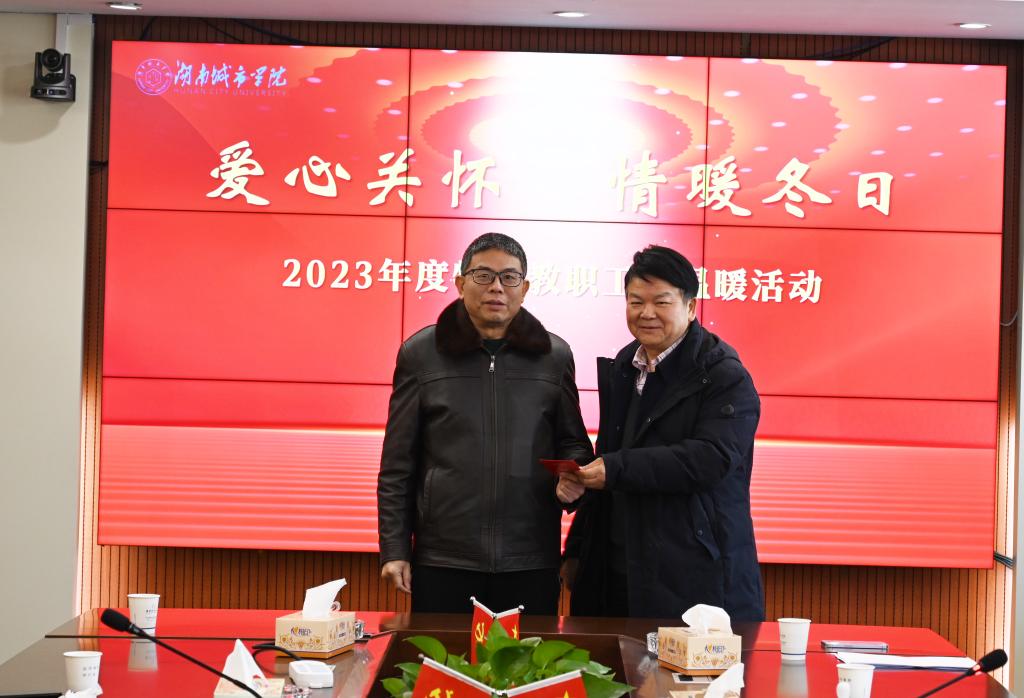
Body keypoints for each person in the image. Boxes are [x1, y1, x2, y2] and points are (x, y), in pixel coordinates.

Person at [377, 232, 593, 614]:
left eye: (509, 277)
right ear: (461, 283)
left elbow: (573, 443)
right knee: (442, 655)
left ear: (524, 288)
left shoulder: (554, 355)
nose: (497, 287)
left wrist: (572, 476)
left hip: (530, 557)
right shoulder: (421, 354)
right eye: (483, 275)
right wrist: (394, 549)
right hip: (444, 558)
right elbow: (398, 464)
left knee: (529, 655)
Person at [559, 245, 764, 620]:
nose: (646, 313)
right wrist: (578, 548)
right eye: (636, 301)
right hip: (620, 567)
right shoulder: (626, 365)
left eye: (661, 302)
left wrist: (615, 469)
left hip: (691, 574)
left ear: (690, 307)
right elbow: (609, 454)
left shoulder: (723, 375)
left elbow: (710, 459)